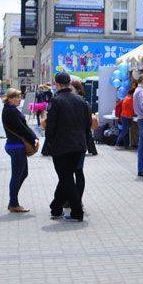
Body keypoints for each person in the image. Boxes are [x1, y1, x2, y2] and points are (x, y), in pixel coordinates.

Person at [45, 72, 93, 221]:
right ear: (69, 83)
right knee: (65, 178)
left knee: (65, 178)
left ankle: (77, 212)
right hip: (79, 145)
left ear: (57, 84)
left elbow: (50, 126)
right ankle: (56, 207)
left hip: (61, 146)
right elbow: (88, 124)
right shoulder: (81, 100)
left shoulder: (56, 101)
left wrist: (49, 143)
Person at [1, 88, 36, 213]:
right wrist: (33, 138)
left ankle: (13, 201)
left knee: (23, 173)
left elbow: (23, 127)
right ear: (10, 99)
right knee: (17, 175)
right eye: (17, 97)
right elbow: (22, 128)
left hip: (15, 145)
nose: (19, 99)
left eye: (20, 97)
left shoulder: (10, 109)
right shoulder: (11, 111)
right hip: (16, 146)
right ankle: (13, 203)